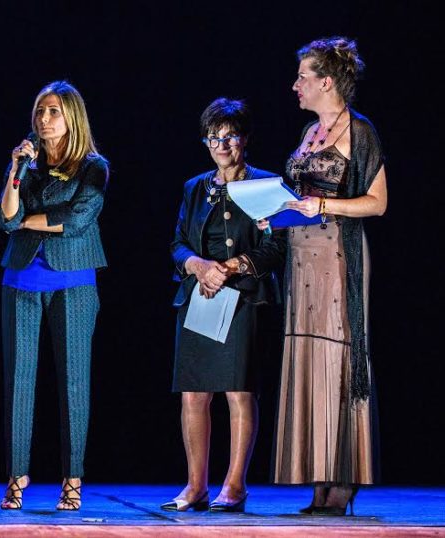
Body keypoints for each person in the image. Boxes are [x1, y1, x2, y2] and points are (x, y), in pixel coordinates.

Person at [269, 37, 387, 516]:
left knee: (336, 359)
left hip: (337, 257)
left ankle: (343, 478)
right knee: (308, 359)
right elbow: (301, 196)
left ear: (327, 81)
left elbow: (377, 203)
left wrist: (323, 204)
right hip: (300, 258)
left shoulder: (359, 131)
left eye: (303, 76)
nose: (295, 84)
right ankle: (318, 478)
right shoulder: (309, 131)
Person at [162, 98, 286, 513]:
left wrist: (230, 267)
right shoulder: (194, 187)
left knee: (239, 392)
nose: (222, 145)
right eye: (214, 137)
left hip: (244, 296)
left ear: (245, 139)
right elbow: (178, 243)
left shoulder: (266, 184)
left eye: (230, 136)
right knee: (194, 394)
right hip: (201, 295)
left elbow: (277, 246)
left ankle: (234, 486)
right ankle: (195, 486)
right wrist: (198, 266)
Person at [0, 80, 108, 511]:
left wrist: (27, 220)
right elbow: (5, 218)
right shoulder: (26, 163)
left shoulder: (93, 166)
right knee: (18, 381)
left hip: (73, 280)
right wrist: (15, 171)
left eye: (54, 111)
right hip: (21, 278)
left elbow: (77, 219)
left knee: (74, 381)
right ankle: (16, 476)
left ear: (72, 117)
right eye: (40, 111)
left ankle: (72, 478)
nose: (44, 119)